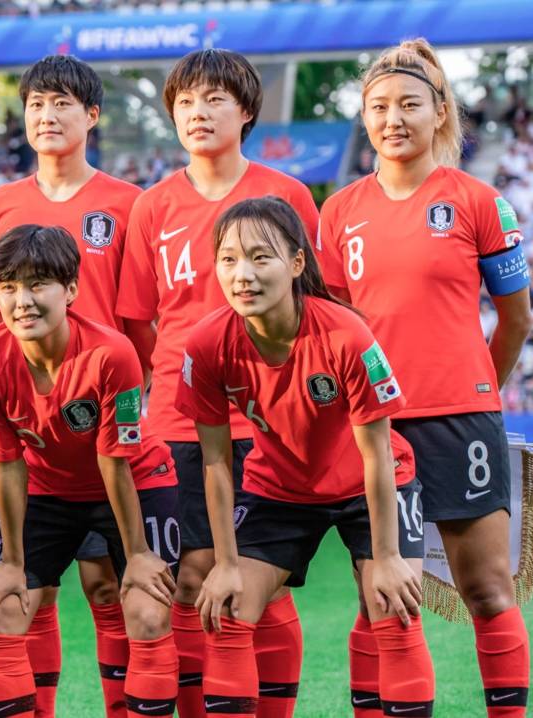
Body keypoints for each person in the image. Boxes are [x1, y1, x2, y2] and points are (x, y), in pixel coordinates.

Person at [317, 38, 531, 717]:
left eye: (408, 104)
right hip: (373, 429)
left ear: (439, 112)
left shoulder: (477, 201)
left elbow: (515, 319)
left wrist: (478, 391)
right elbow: (332, 330)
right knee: (379, 595)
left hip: (461, 422)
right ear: (364, 115)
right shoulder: (338, 212)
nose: (391, 119)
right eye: (377, 106)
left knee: (488, 589)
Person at [117, 48, 318, 717]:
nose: (197, 113)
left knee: (266, 583)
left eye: (213, 99)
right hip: (180, 422)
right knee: (191, 578)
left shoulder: (285, 195)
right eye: (183, 102)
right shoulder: (152, 206)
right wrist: (187, 372)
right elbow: (139, 321)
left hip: (272, 422)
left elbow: (316, 304)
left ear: (246, 111)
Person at [178, 196, 434, 717]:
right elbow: (216, 463)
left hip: (370, 483)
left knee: (393, 608)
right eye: (228, 259)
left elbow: (379, 452)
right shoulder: (206, 344)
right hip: (280, 489)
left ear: (296, 263)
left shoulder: (345, 334)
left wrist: (385, 558)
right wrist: (226, 563)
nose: (242, 274)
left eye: (259, 257)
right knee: (228, 610)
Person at [0, 53, 148, 714]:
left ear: (91, 115)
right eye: (35, 105)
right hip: (33, 437)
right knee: (26, 593)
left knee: (110, 587)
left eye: (62, 104)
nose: (46, 116)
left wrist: (132, 408)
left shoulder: (128, 204)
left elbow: (137, 321)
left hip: (108, 417)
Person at [0, 224, 180, 718]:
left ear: (72, 290)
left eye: (38, 284)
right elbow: (6, 462)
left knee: (145, 610)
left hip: (135, 480)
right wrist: (12, 561)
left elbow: (114, 460)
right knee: (4, 609)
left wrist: (140, 554)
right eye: (9, 287)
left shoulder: (112, 354)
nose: (23, 301)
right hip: (46, 488)